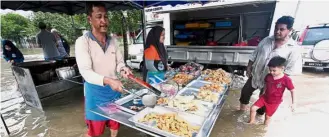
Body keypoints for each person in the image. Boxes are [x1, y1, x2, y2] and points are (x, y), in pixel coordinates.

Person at [75, 2, 132, 137]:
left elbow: (119, 62)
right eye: (99, 17)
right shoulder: (83, 42)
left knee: (115, 123)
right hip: (95, 93)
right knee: (94, 132)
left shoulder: (113, 41)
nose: (103, 21)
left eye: (106, 17)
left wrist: (123, 69)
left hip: (114, 91)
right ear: (90, 19)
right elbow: (85, 72)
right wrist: (109, 80)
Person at [238, 16, 302, 115]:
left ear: (290, 30)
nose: (277, 31)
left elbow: (288, 71)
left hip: (271, 82)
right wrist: (249, 67)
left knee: (262, 106)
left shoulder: (293, 49)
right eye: (276, 28)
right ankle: (240, 113)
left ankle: (258, 122)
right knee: (245, 93)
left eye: (281, 29)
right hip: (256, 75)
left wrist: (277, 86)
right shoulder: (266, 40)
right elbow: (254, 55)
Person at [248, 56, 295, 126]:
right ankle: (251, 122)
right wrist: (263, 92)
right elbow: (266, 85)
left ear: (282, 68)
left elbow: (293, 90)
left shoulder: (286, 80)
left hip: (274, 102)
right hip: (264, 98)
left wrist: (293, 103)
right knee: (253, 108)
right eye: (270, 70)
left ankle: (264, 128)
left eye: (274, 70)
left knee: (267, 117)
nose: (271, 72)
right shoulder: (268, 76)